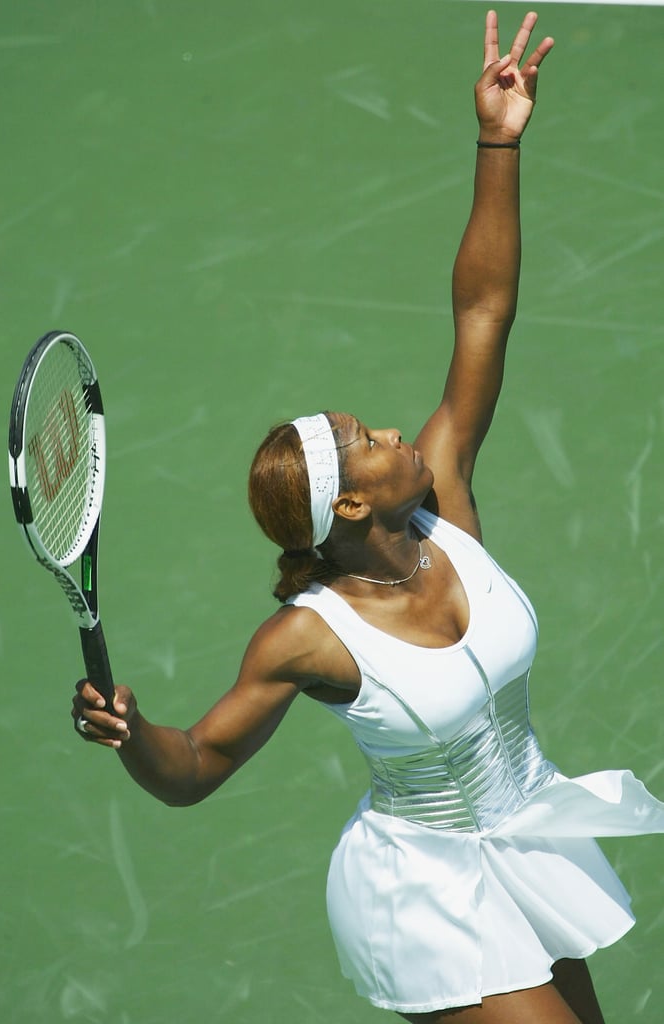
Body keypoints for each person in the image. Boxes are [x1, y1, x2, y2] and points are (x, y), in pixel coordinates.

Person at [72, 11, 664, 1023]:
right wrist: (131, 734)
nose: (397, 431)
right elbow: (196, 766)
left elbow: (482, 310)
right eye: (369, 439)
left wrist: (498, 141)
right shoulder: (309, 637)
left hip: (525, 839)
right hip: (423, 890)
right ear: (347, 502)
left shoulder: (448, 504)